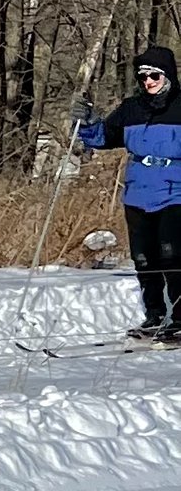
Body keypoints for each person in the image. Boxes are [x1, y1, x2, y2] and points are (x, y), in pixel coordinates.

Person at [76, 42, 181, 340]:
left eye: (154, 76)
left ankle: (180, 319)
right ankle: (155, 316)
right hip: (137, 194)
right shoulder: (131, 109)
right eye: (143, 77)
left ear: (168, 77)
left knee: (172, 256)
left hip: (175, 194)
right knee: (144, 259)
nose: (148, 82)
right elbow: (102, 137)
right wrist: (86, 120)